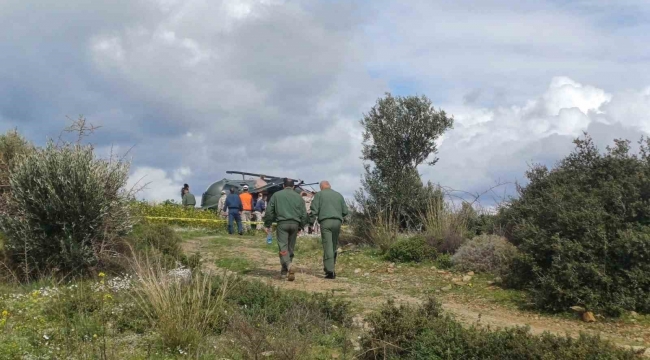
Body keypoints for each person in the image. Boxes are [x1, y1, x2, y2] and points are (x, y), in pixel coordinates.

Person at [264, 178, 308, 281]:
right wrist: (301, 226)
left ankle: (288, 265)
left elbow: (269, 211)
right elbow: (304, 214)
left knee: (283, 248)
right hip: (295, 224)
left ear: (283, 186)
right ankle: (284, 271)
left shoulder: (276, 195)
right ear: (293, 186)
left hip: (282, 224)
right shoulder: (299, 197)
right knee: (290, 248)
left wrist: (267, 224)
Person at [309, 180, 348, 279]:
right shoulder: (338, 195)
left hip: (326, 221)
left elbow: (314, 210)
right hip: (338, 222)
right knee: (334, 245)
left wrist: (310, 222)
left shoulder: (319, 195)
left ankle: (330, 271)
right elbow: (345, 211)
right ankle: (332, 266)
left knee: (328, 246)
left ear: (321, 187)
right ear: (329, 186)